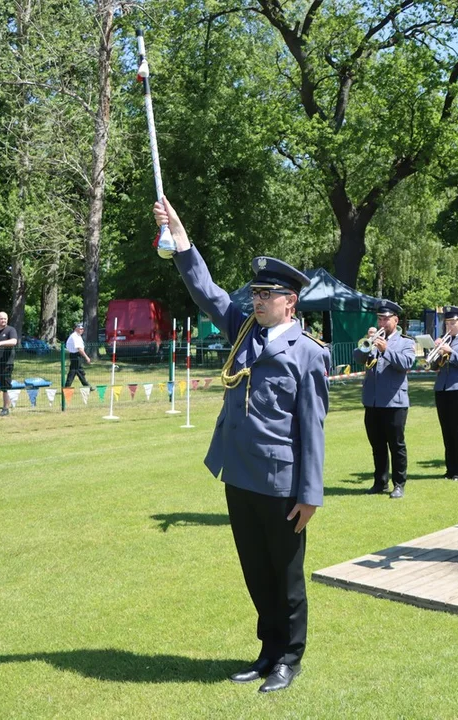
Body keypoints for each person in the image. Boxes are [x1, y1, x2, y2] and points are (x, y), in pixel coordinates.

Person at [153, 197, 330, 694]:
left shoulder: (307, 354)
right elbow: (206, 292)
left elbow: (312, 428)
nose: (255, 300)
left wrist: (310, 493)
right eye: (255, 293)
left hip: (281, 482)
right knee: (256, 572)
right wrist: (180, 234)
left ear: (289, 301)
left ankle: (290, 658)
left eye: (266, 294)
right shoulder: (245, 333)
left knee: (286, 577)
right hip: (239, 474)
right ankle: (268, 650)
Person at [353, 300, 417, 498]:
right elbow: (357, 357)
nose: (382, 323)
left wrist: (385, 350)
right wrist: (368, 342)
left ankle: (399, 484)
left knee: (396, 445)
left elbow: (407, 363)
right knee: (377, 445)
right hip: (372, 401)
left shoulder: (406, 342)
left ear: (395, 320)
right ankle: (380, 482)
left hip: (394, 402)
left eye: (386, 319)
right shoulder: (373, 338)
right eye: (380, 319)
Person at [431, 306, 458, 481]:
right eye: (447, 322)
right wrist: (434, 352)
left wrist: (451, 352)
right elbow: (434, 367)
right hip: (442, 389)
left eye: (452, 322)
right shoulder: (444, 339)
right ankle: (450, 468)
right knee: (446, 430)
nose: (449, 326)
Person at [64, 322, 92, 387]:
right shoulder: (74, 336)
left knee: (75, 372)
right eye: (80, 329)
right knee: (77, 371)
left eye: (82, 329)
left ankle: (67, 387)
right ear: (76, 329)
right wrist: (86, 357)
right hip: (75, 356)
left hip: (76, 356)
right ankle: (87, 386)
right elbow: (79, 349)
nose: (82, 330)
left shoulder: (78, 336)